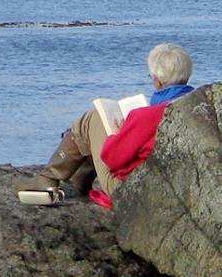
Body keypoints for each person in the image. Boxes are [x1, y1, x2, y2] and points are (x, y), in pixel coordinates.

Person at [30, 43, 193, 205]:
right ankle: (79, 178)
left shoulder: (146, 116)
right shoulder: (198, 108)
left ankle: (48, 178)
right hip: (178, 185)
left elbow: (112, 158)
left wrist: (118, 134)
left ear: (157, 81)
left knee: (92, 119)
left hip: (131, 188)